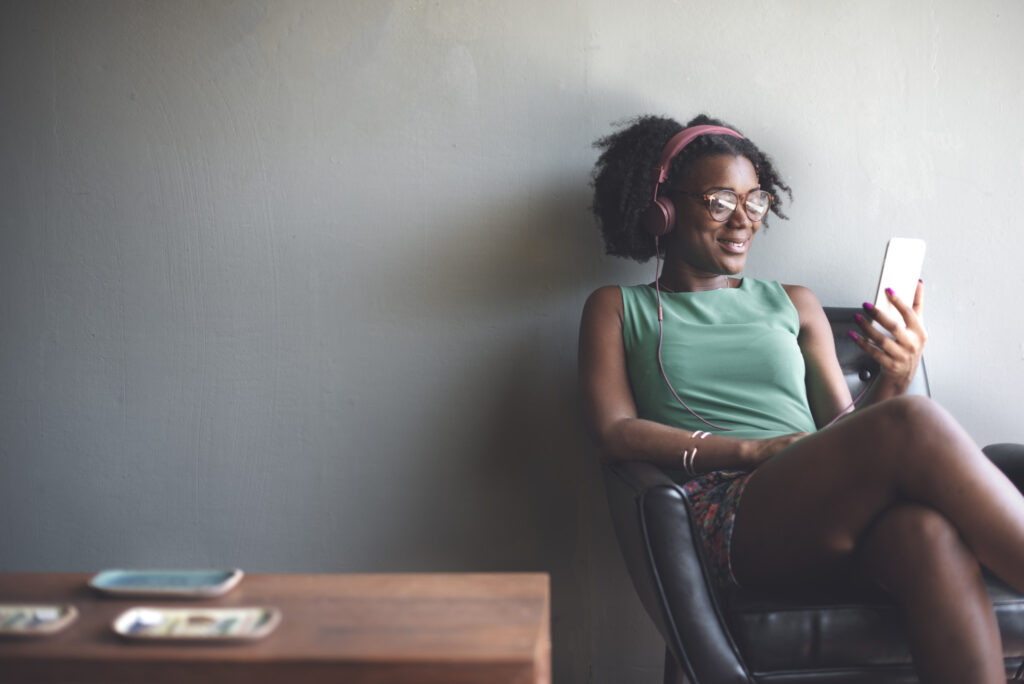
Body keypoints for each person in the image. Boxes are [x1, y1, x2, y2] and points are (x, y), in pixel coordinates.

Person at [578, 114, 1024, 683]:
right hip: (729, 513)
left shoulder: (793, 302)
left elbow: (842, 427)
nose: (743, 220)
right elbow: (614, 432)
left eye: (755, 200)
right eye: (719, 201)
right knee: (913, 420)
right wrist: (752, 452)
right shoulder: (617, 308)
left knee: (925, 534)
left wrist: (894, 376)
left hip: (820, 499)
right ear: (661, 208)